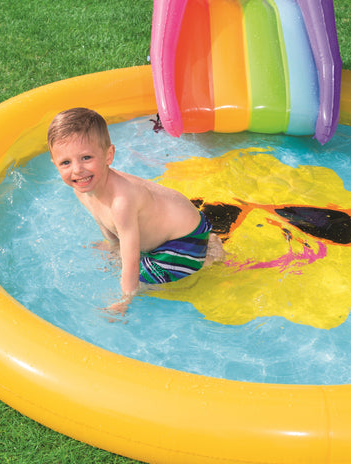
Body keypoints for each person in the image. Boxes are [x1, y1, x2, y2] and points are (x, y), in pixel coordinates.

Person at [47, 107, 224, 313]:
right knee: (119, 259)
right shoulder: (82, 188)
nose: (77, 170)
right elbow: (101, 217)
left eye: (86, 157)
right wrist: (113, 245)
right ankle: (208, 247)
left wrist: (124, 299)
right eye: (65, 162)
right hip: (181, 227)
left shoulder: (121, 202)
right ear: (55, 164)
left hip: (184, 243)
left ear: (108, 155)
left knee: (143, 280)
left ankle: (207, 258)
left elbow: (130, 261)